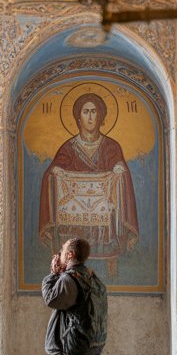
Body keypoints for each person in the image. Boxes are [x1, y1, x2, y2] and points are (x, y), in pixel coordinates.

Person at [38, 92, 140, 279]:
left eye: (94, 112)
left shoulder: (111, 147)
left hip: (105, 209)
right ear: (78, 118)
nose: (91, 117)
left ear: (101, 116)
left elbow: (121, 171)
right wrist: (55, 172)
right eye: (86, 112)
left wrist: (119, 170)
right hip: (73, 207)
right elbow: (50, 173)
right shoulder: (69, 147)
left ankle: (110, 265)